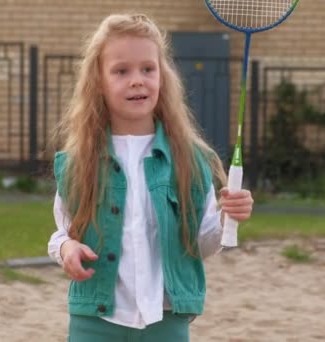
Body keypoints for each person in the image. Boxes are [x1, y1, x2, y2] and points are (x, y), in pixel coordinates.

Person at [48, 13, 254, 341]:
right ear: (98, 82)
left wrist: (228, 215)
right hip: (95, 323)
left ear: (163, 77)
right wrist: (68, 249)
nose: (137, 80)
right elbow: (60, 234)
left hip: (167, 320)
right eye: (121, 70)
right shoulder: (79, 162)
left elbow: (201, 244)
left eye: (148, 68)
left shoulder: (190, 160)